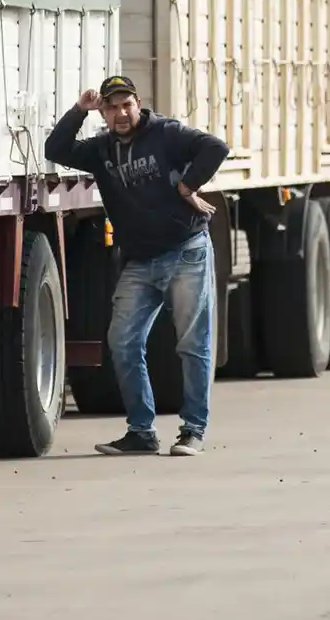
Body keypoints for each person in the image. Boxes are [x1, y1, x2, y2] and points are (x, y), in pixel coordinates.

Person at [45, 74, 230, 457]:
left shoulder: (166, 133)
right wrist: (80, 110)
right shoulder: (100, 150)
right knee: (123, 342)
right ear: (104, 112)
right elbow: (56, 147)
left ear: (138, 103)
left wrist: (187, 186)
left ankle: (193, 430)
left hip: (186, 250)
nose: (121, 114)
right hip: (139, 260)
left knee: (193, 345)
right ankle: (141, 432)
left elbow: (215, 147)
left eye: (126, 105)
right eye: (111, 107)